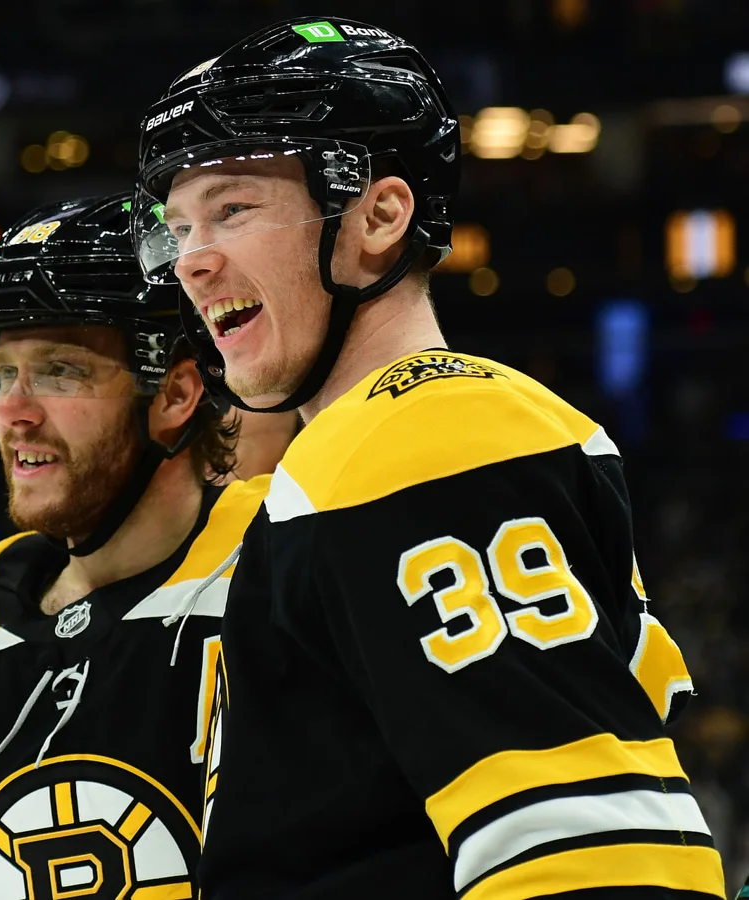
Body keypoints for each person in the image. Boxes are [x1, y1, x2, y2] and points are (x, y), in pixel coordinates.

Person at [132, 18, 723, 898]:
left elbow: (591, 860)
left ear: (379, 216)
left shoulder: (417, 439)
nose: (192, 262)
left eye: (233, 209)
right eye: (177, 228)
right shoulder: (386, 440)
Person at [0, 192, 276, 899]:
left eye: (59, 371)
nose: (12, 411)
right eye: (4, 373)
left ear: (175, 396)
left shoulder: (291, 559)